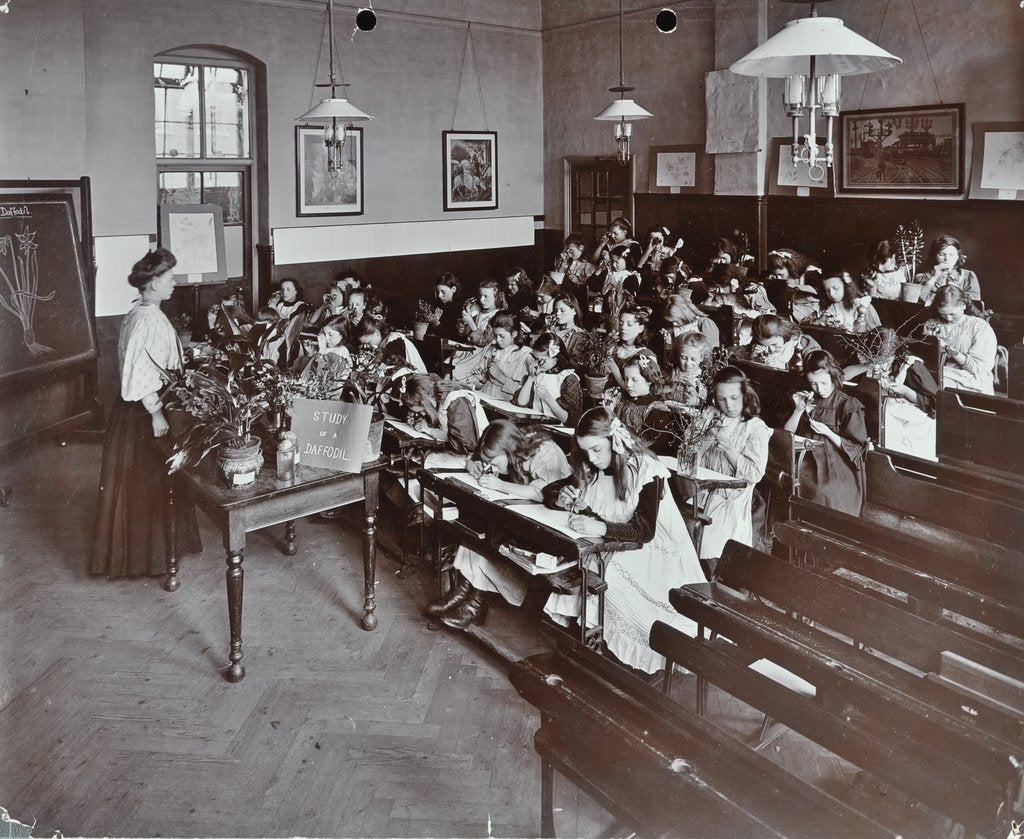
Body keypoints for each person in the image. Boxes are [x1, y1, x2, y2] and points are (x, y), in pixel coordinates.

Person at [543, 407, 705, 675]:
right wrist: (560, 497)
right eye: (585, 452)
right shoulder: (592, 468)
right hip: (613, 545)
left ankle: (609, 658)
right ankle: (588, 646)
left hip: (654, 555)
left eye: (596, 449)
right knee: (582, 569)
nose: (591, 458)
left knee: (607, 579)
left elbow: (644, 530)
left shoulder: (645, 469)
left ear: (614, 441)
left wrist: (599, 525)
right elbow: (550, 489)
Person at [90, 248, 201, 578]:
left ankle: (150, 553)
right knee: (151, 484)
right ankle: (148, 559)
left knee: (145, 484)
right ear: (152, 283)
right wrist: (156, 413)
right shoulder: (148, 319)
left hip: (133, 412)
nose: (174, 283)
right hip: (144, 414)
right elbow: (139, 374)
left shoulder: (139, 311)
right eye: (169, 279)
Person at [424, 422, 572, 628]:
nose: (491, 468)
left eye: (493, 462)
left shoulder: (545, 452)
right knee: (479, 532)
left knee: (492, 536)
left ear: (508, 450)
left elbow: (543, 493)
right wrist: (473, 464)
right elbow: (476, 456)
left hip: (550, 525)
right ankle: (463, 593)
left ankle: (475, 601)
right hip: (521, 512)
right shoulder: (509, 447)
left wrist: (501, 485)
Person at [694, 367, 770, 559]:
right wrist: (705, 442)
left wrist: (731, 452)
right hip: (700, 494)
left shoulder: (754, 427)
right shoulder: (709, 416)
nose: (728, 405)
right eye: (722, 399)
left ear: (745, 395)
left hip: (732, 500)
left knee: (708, 545)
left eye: (734, 398)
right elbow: (687, 454)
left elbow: (755, 473)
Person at [784, 350, 868, 516]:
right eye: (813, 384)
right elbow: (786, 435)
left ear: (833, 376)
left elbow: (858, 449)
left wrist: (828, 433)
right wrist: (798, 410)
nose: (819, 389)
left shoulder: (847, 404)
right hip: (803, 459)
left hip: (838, 464)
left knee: (822, 490)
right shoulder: (806, 399)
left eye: (823, 383)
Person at [923, 285, 997, 394]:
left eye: (952, 314)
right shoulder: (932, 324)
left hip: (970, 378)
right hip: (940, 373)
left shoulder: (980, 327)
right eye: (943, 314)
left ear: (963, 305)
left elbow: (980, 368)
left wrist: (951, 351)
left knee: (931, 388)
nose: (948, 318)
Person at [607, 354, 676, 455]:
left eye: (634, 380)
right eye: (626, 379)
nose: (628, 384)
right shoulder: (620, 398)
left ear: (649, 380)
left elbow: (650, 445)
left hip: (639, 456)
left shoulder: (656, 409)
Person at [514, 332, 583, 425]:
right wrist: (531, 377)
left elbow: (570, 420)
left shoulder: (567, 377)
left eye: (542, 360)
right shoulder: (540, 374)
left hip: (557, 430)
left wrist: (548, 398)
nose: (537, 364)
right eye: (535, 359)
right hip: (537, 427)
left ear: (556, 358)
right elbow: (521, 403)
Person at [469, 311, 532, 401]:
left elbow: (521, 392)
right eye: (495, 335)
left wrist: (500, 377)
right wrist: (482, 378)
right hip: (486, 396)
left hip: (505, 404)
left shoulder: (524, 355)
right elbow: (490, 384)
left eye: (502, 336)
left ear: (514, 333)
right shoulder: (494, 350)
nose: (497, 340)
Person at [731, 314, 820, 371]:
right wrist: (751, 355)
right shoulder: (761, 340)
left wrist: (786, 367)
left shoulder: (804, 344)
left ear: (783, 334)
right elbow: (735, 351)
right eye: (764, 345)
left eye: (774, 344)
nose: (771, 349)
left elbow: (817, 371)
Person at [915, 235, 982, 305]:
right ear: (935, 256)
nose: (947, 259)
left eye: (951, 255)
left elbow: (973, 305)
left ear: (958, 256)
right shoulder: (923, 276)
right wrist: (934, 277)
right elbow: (919, 301)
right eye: (941, 254)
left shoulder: (968, 276)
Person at [299, 316, 353, 398]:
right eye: (324, 333)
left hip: (323, 399)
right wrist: (310, 354)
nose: (326, 338)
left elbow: (321, 377)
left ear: (342, 335)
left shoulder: (341, 353)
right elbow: (307, 372)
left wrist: (321, 351)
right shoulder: (330, 349)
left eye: (330, 335)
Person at [809, 271, 881, 332]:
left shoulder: (862, 306)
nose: (831, 294)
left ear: (845, 286)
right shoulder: (827, 309)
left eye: (836, 288)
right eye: (827, 290)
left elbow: (878, 334)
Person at [355, 314, 427, 374]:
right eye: (363, 344)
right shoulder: (384, 341)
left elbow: (396, 370)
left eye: (367, 343)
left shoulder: (394, 343)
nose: (365, 346)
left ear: (377, 333)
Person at [704, 263, 775, 319]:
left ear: (733, 281)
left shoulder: (751, 290)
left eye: (723, 287)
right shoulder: (723, 295)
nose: (721, 291)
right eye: (718, 287)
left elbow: (754, 308)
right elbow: (706, 311)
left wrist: (737, 289)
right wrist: (710, 297)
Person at [667, 332, 711, 407]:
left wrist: (697, 401)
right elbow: (659, 393)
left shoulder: (705, 377)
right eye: (683, 358)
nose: (688, 363)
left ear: (702, 358)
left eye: (693, 359)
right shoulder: (672, 371)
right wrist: (671, 385)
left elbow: (709, 402)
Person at [547, 291, 586, 364]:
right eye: (556, 310)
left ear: (574, 311)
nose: (558, 314)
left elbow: (575, 362)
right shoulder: (552, 329)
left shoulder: (578, 334)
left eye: (563, 310)